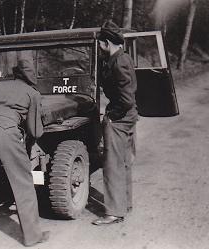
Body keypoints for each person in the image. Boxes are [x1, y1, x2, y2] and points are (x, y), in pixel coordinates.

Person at [0, 52, 49, 247]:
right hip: (6, 133)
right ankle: (32, 236)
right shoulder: (33, 93)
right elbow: (35, 131)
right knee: (23, 184)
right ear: (31, 77)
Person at [92, 21, 138, 225]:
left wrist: (111, 116)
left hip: (120, 117)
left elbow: (126, 98)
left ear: (107, 43)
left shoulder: (118, 62)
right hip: (129, 116)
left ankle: (114, 212)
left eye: (100, 44)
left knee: (112, 165)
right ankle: (124, 204)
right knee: (124, 162)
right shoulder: (123, 57)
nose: (99, 49)